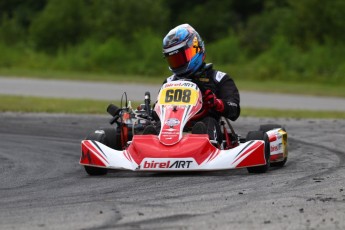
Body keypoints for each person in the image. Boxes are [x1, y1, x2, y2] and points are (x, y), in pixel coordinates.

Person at [146, 24, 240, 145]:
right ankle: (150, 146)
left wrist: (217, 103)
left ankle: (204, 146)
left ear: (196, 48)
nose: (178, 64)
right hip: (170, 127)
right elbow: (158, 112)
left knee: (207, 124)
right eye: (174, 60)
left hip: (204, 124)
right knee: (155, 126)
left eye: (180, 58)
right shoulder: (169, 83)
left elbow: (234, 109)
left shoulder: (218, 79)